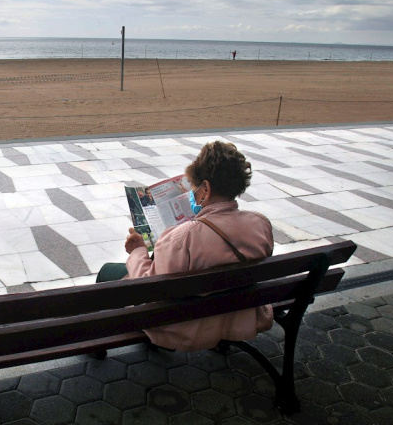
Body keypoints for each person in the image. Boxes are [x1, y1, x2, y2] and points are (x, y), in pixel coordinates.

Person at [96, 141, 274, 352]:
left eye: (194, 189)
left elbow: (148, 288)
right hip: (237, 315)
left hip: (184, 326)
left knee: (107, 272)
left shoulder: (184, 237)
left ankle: (96, 342)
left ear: (206, 189)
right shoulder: (260, 224)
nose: (193, 194)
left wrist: (137, 250)